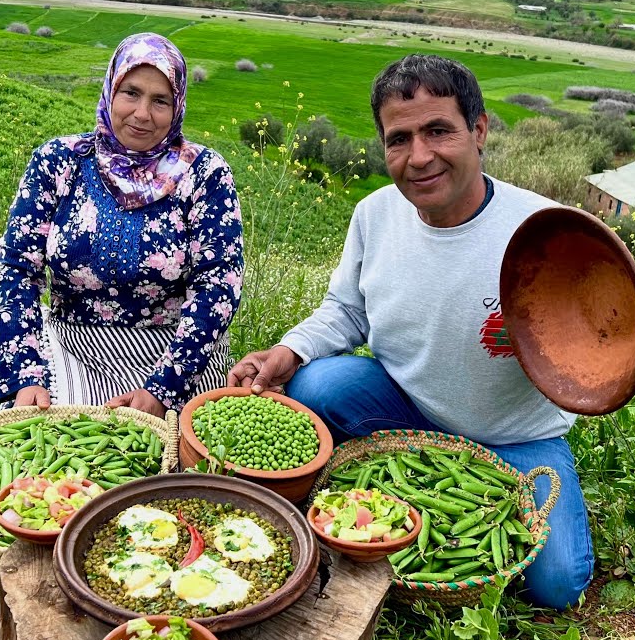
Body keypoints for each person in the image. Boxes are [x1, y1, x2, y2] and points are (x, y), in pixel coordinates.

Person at [227, 54, 592, 609]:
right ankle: (400, 465)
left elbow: (599, 344)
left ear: (479, 130)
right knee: (317, 385)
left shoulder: (545, 232)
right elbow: (346, 311)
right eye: (399, 139)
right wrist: (289, 350)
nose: (418, 157)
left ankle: (462, 489)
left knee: (558, 583)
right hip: (407, 407)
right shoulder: (375, 216)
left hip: (515, 437)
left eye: (438, 131)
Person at [0, 32, 243, 418]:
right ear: (110, 90)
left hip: (175, 353)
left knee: (175, 467)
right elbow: (17, 271)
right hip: (75, 348)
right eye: (131, 93)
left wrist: (164, 388)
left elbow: (219, 286)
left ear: (178, 106)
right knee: (62, 459)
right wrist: (26, 374)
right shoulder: (60, 162)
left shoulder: (205, 174)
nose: (143, 114)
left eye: (160, 100)